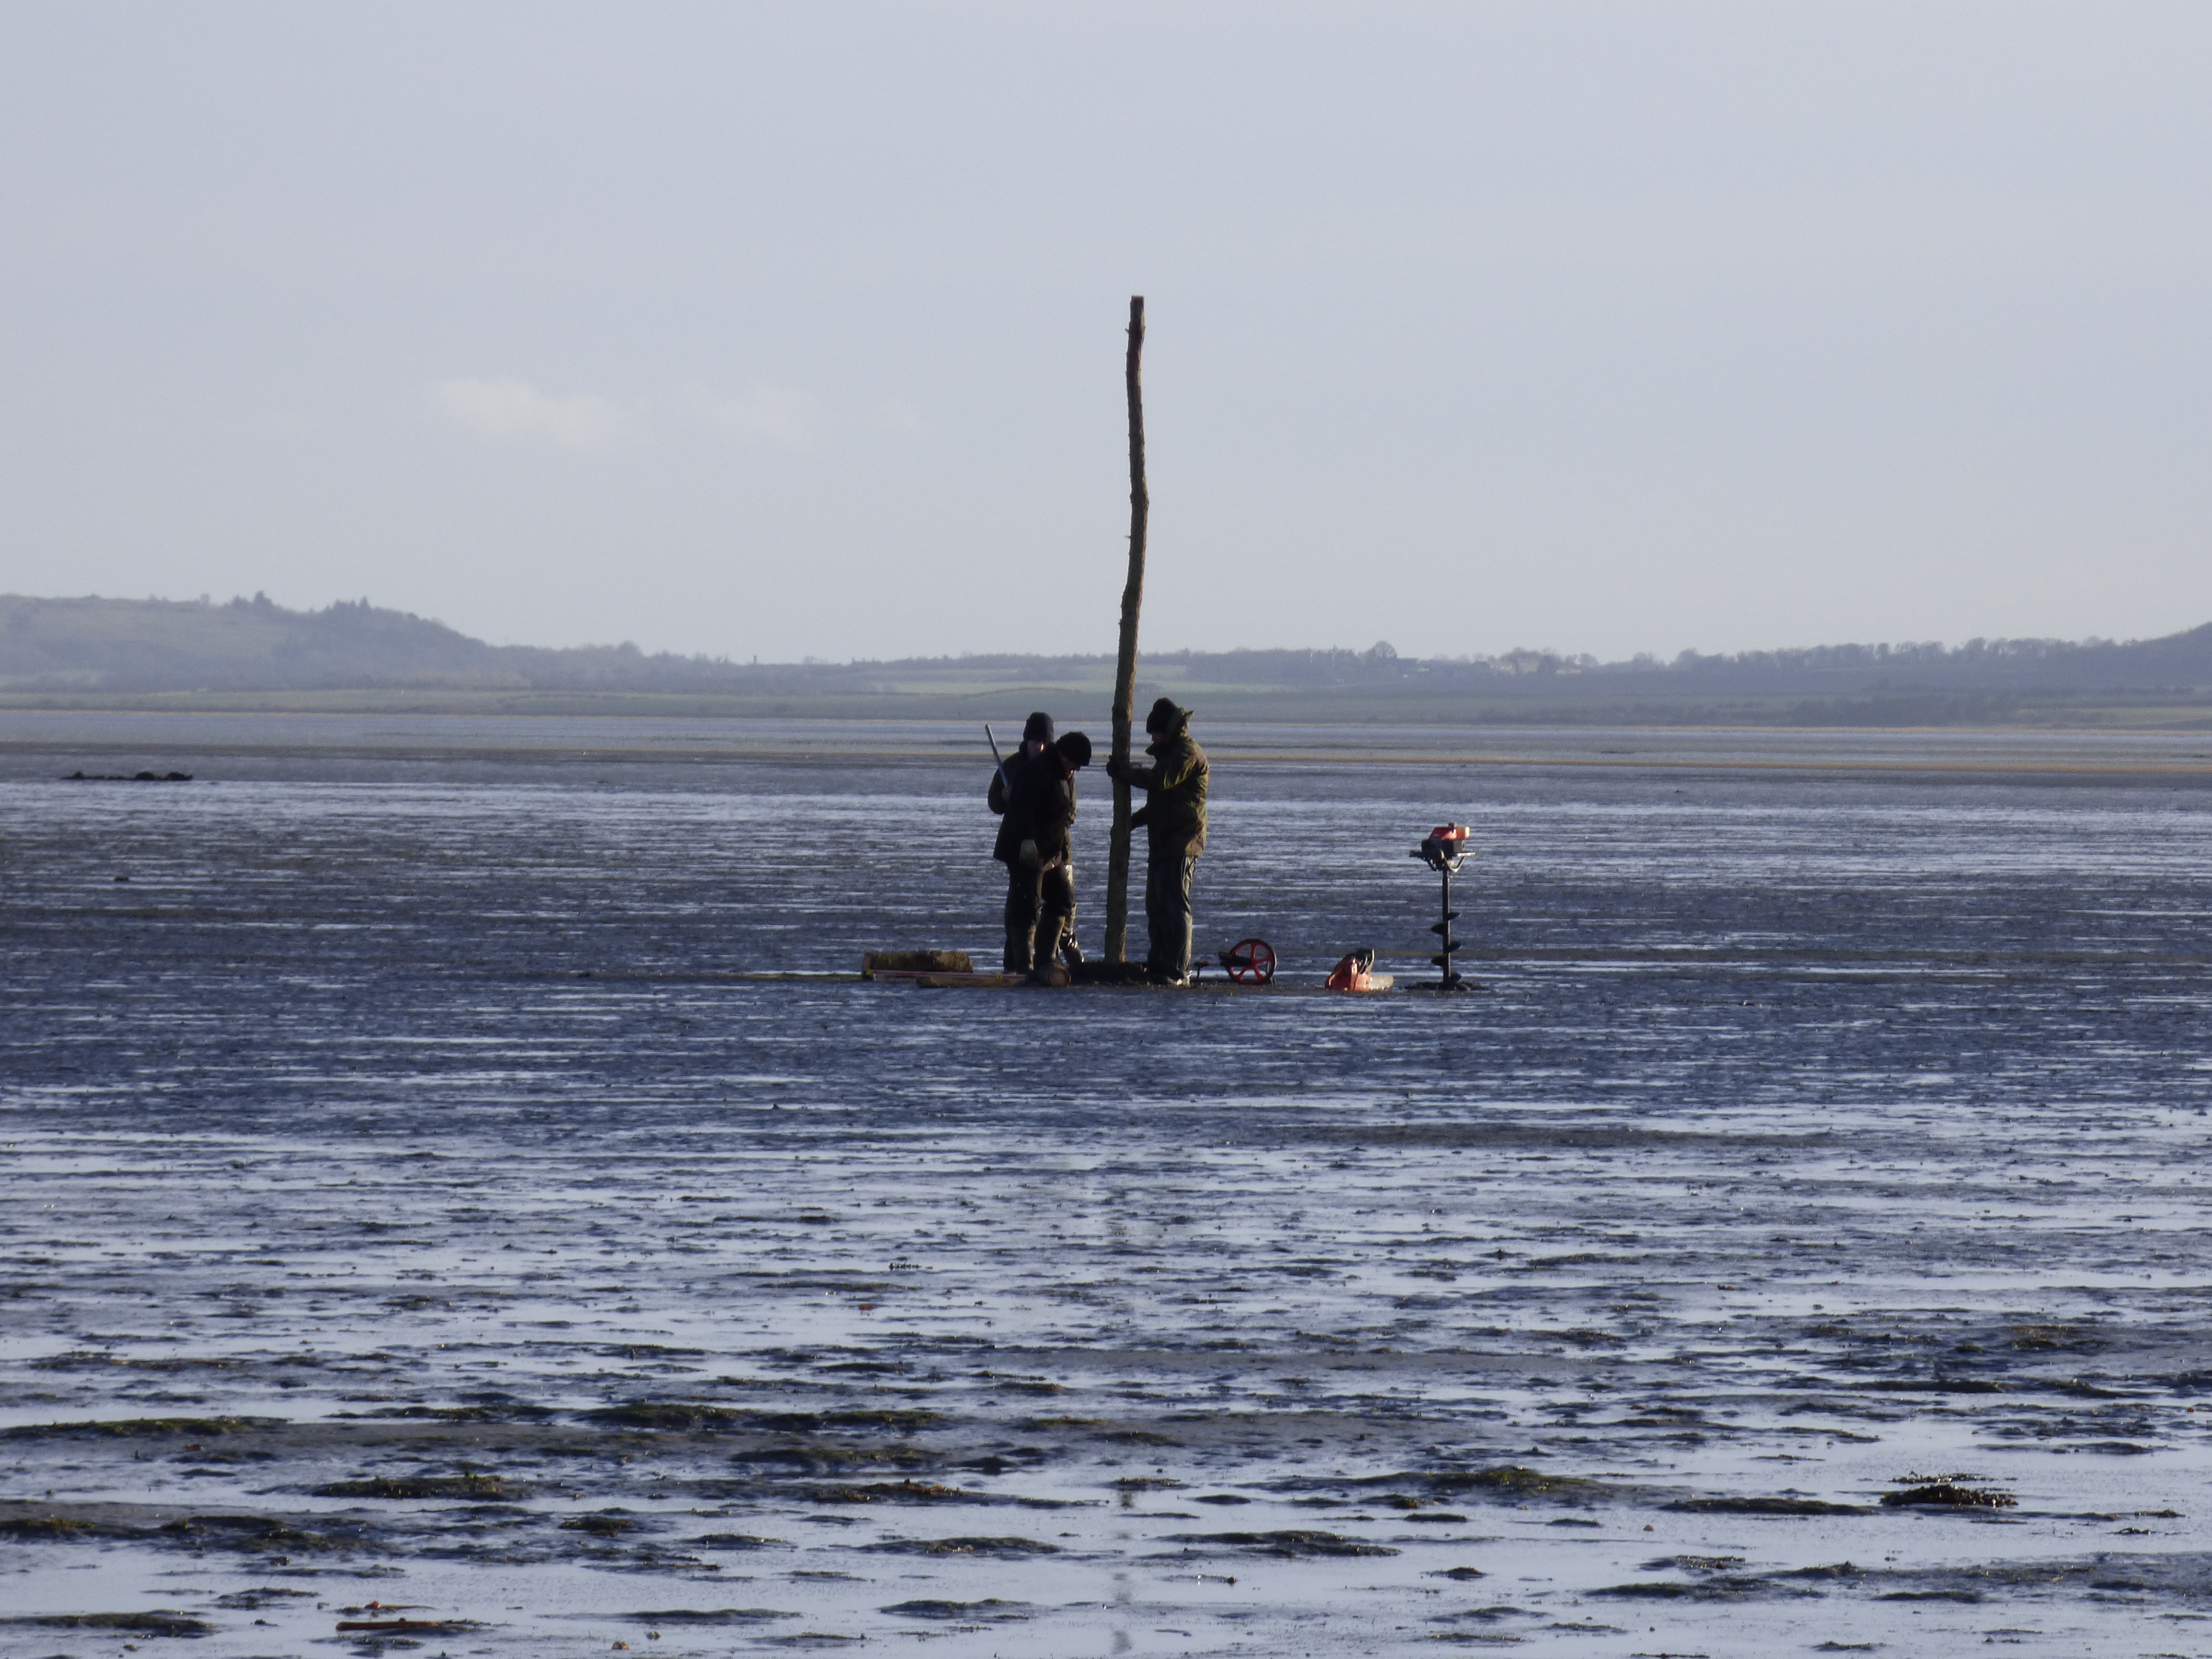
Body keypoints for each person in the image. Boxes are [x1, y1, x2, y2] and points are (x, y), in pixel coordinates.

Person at [1106, 697, 1208, 984]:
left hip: (1184, 842)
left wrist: (1124, 773)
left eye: (1156, 733)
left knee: (1175, 907)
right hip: (1163, 842)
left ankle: (1178, 970)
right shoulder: (1169, 753)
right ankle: (1159, 963)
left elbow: (1160, 781)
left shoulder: (1187, 753)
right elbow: (1161, 805)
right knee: (1156, 906)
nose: (1153, 739)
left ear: (1169, 729)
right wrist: (1130, 823)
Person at [988, 714, 1091, 974]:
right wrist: (1027, 841)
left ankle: (1046, 960)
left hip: (1051, 853)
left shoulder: (1063, 773)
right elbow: (1021, 810)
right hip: (1026, 851)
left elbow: (1067, 811)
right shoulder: (1036, 771)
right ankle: (1023, 967)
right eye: (1074, 765)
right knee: (1026, 907)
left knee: (1062, 899)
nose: (1074, 771)